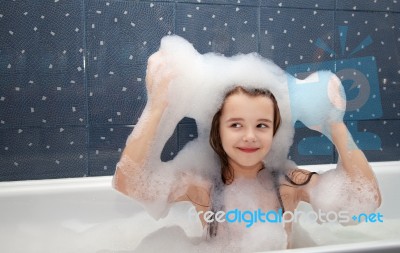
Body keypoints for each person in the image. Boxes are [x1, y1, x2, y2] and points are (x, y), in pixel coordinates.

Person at [112, 51, 382, 250]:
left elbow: (364, 201)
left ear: (274, 131)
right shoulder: (203, 185)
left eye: (262, 125)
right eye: (236, 124)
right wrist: (158, 105)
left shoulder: (289, 183)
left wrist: (334, 123)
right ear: (219, 129)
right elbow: (130, 183)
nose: (250, 136)